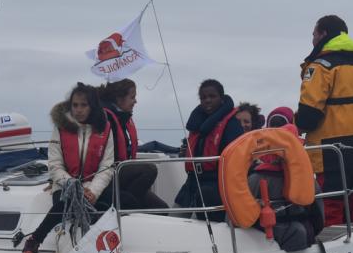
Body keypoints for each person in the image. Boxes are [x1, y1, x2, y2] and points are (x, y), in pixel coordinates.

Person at [295, 15, 353, 226]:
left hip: (332, 153)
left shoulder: (319, 67)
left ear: (323, 34)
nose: (312, 40)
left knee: (330, 209)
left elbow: (309, 115)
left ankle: (333, 248)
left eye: (314, 34)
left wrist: (296, 124)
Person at [22, 84, 116, 253]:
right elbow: (54, 164)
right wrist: (72, 184)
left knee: (113, 202)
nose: (78, 110)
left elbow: (107, 166)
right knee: (65, 204)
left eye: (83, 105)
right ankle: (36, 238)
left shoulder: (105, 129)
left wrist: (94, 190)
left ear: (92, 106)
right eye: (75, 105)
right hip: (65, 185)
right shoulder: (60, 128)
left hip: (92, 186)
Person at [174, 79, 244, 220]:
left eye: (212, 96)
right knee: (173, 218)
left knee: (203, 218)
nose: (207, 100)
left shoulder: (232, 124)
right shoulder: (197, 122)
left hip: (216, 184)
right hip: (192, 182)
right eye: (203, 97)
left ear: (221, 98)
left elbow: (236, 158)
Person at [99, 78, 167, 210]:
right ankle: (125, 207)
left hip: (120, 174)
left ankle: (128, 204)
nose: (135, 101)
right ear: (119, 99)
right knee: (149, 170)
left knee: (162, 208)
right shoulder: (104, 119)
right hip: (107, 175)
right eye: (132, 97)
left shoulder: (122, 118)